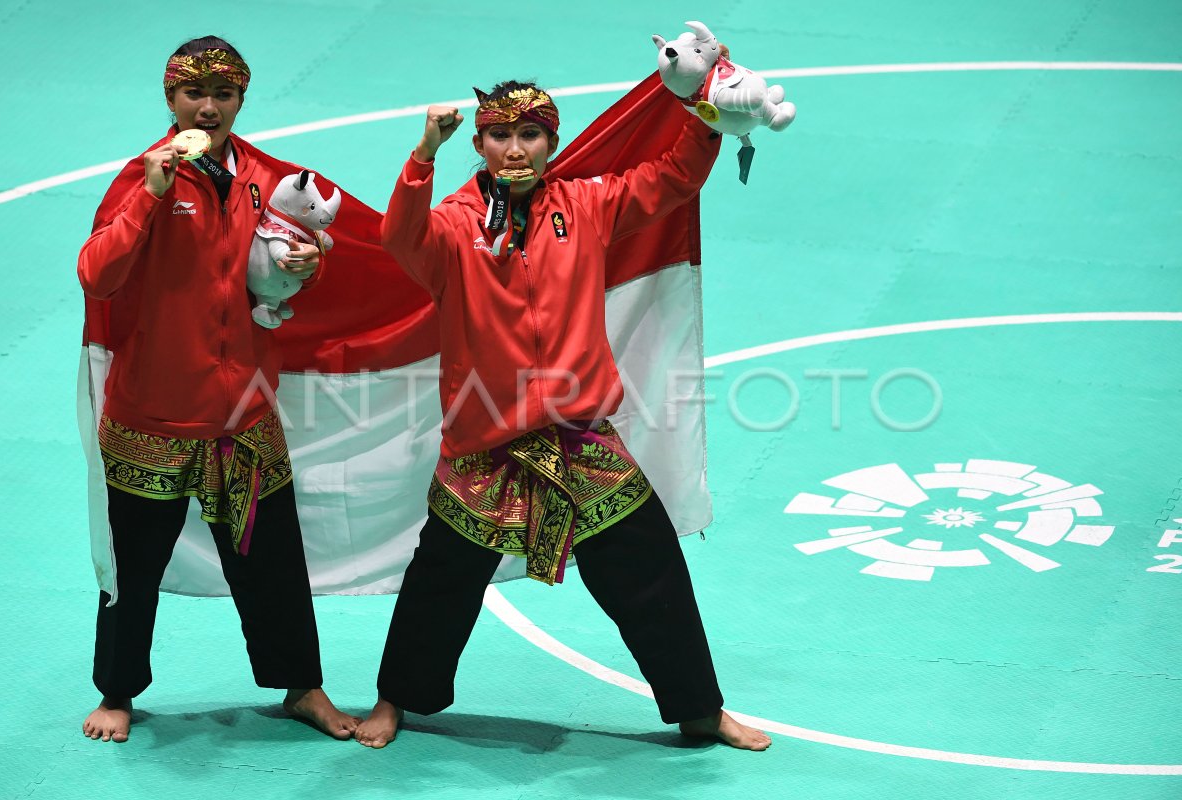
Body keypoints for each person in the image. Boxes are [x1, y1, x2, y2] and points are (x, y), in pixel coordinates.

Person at [355, 79, 771, 751]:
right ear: (479, 142)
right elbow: (400, 238)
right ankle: (396, 699)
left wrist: (707, 114)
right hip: (486, 446)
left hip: (581, 442)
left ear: (552, 142)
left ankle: (700, 709)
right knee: (440, 580)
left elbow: (673, 179)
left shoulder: (587, 204)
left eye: (530, 136)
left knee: (651, 565)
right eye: (499, 136)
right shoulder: (457, 224)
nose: (514, 150)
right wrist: (422, 157)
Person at [77, 36, 359, 743]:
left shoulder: (267, 176)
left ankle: (303, 688)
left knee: (272, 567)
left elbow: (284, 268)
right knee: (133, 570)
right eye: (193, 94)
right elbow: (96, 276)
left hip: (244, 415)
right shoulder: (138, 179)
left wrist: (307, 262)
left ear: (241, 98)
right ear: (170, 99)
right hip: (154, 414)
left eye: (224, 94)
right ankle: (117, 693)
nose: (209, 107)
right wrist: (150, 194)